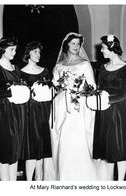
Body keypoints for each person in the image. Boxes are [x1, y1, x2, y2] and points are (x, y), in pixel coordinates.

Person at [45, 32, 97, 180]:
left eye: (78, 44)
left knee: (74, 136)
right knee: (60, 137)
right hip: (61, 104)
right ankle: (61, 174)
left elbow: (92, 86)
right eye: (73, 43)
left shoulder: (85, 64)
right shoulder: (59, 65)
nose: (76, 46)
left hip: (78, 104)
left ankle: (79, 175)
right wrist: (61, 86)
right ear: (66, 44)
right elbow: (55, 85)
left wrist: (79, 92)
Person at [92, 35, 126, 181]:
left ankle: (120, 183)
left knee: (119, 149)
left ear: (112, 49)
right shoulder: (103, 67)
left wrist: (105, 100)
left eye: (103, 48)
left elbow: (124, 93)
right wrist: (96, 98)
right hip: (103, 113)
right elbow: (99, 88)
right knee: (107, 151)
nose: (101, 51)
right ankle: (109, 182)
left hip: (118, 112)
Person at [0, 37, 30, 180]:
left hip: (18, 111)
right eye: (12, 49)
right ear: (3, 49)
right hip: (3, 112)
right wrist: (13, 92)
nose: (14, 52)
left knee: (15, 150)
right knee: (4, 151)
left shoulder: (16, 68)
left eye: (15, 50)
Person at [20, 41, 52, 180]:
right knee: (32, 147)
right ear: (28, 53)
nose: (38, 55)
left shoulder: (45, 71)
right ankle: (29, 181)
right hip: (30, 112)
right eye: (35, 52)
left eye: (39, 52)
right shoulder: (20, 73)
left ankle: (40, 179)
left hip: (44, 111)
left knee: (43, 147)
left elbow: (52, 91)